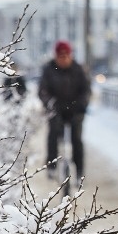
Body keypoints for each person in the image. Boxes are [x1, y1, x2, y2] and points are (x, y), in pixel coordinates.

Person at [38, 40, 91, 178]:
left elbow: (86, 90)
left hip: (75, 110)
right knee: (53, 136)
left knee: (77, 140)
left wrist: (81, 104)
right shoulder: (49, 69)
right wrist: (50, 103)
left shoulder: (78, 69)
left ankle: (79, 172)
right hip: (56, 110)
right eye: (60, 56)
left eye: (66, 56)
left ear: (70, 55)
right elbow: (43, 91)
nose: (63, 59)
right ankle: (52, 166)